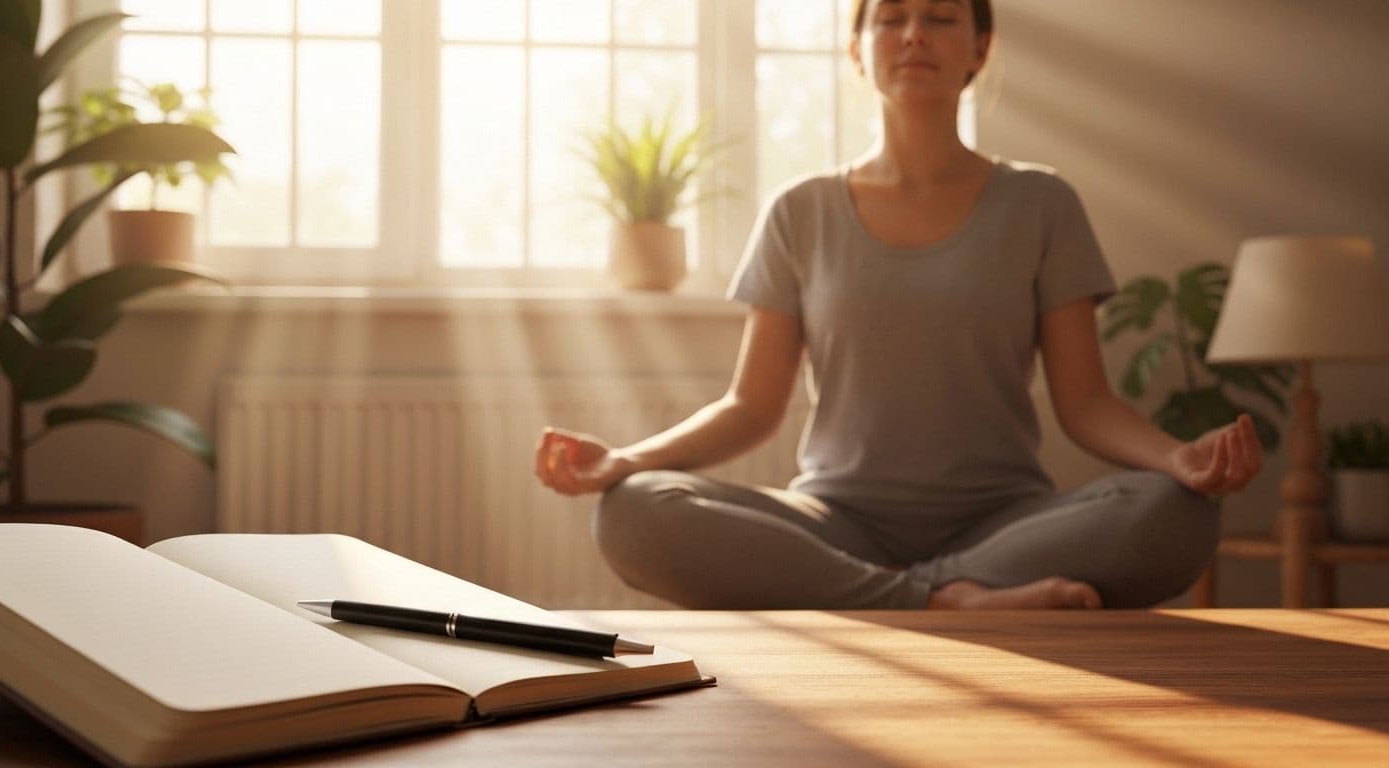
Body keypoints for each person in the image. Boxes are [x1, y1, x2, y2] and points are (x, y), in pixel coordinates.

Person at [534, 0, 1263, 610]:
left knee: (1177, 514)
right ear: (857, 49)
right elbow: (750, 408)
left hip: (1007, 524)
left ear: (979, 47)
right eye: (891, 18)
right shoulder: (800, 211)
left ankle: (897, 597)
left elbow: (1087, 403)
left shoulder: (1042, 204)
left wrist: (1178, 457)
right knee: (632, 512)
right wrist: (625, 459)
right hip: (836, 521)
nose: (914, 33)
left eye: (941, 16)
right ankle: (945, 603)